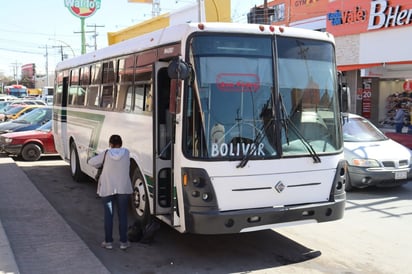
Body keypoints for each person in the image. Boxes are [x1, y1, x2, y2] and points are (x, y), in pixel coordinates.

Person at [88, 134, 133, 250]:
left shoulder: (106, 153)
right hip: (123, 189)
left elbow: (92, 162)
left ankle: (108, 242)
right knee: (123, 215)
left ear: (110, 144)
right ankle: (123, 242)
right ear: (121, 143)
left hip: (108, 188)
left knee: (109, 215)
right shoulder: (127, 152)